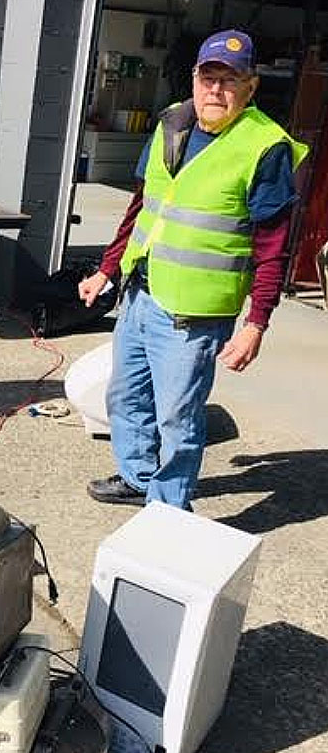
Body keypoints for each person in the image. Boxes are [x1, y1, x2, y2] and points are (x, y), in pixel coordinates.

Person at [79, 29, 308, 510]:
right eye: (209, 78)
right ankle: (139, 478)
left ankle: (168, 509)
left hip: (193, 315)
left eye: (230, 80)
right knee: (125, 398)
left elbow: (274, 247)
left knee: (177, 419)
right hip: (141, 293)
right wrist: (107, 270)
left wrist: (256, 322)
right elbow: (142, 209)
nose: (216, 90)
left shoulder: (265, 148)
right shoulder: (172, 123)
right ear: (194, 80)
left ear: (250, 88)